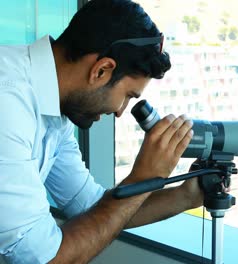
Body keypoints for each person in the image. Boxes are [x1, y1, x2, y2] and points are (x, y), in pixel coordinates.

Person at [0, 0, 204, 263]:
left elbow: (90, 206)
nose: (120, 111)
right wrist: (144, 177)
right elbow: (45, 259)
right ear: (101, 70)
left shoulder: (54, 104)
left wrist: (184, 195)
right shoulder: (9, 101)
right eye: (127, 96)